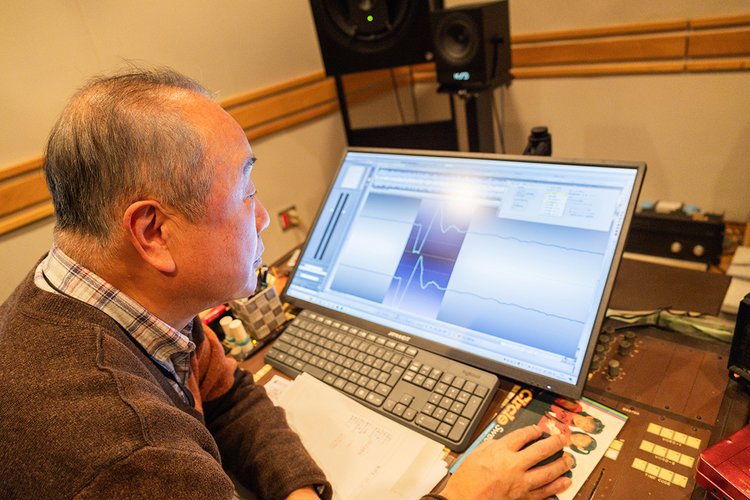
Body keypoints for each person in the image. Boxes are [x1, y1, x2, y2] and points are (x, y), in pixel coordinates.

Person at [0, 67, 573, 499]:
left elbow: (227, 396)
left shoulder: (103, 293)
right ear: (153, 232)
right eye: (245, 194)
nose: (265, 217)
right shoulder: (132, 456)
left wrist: (297, 490)